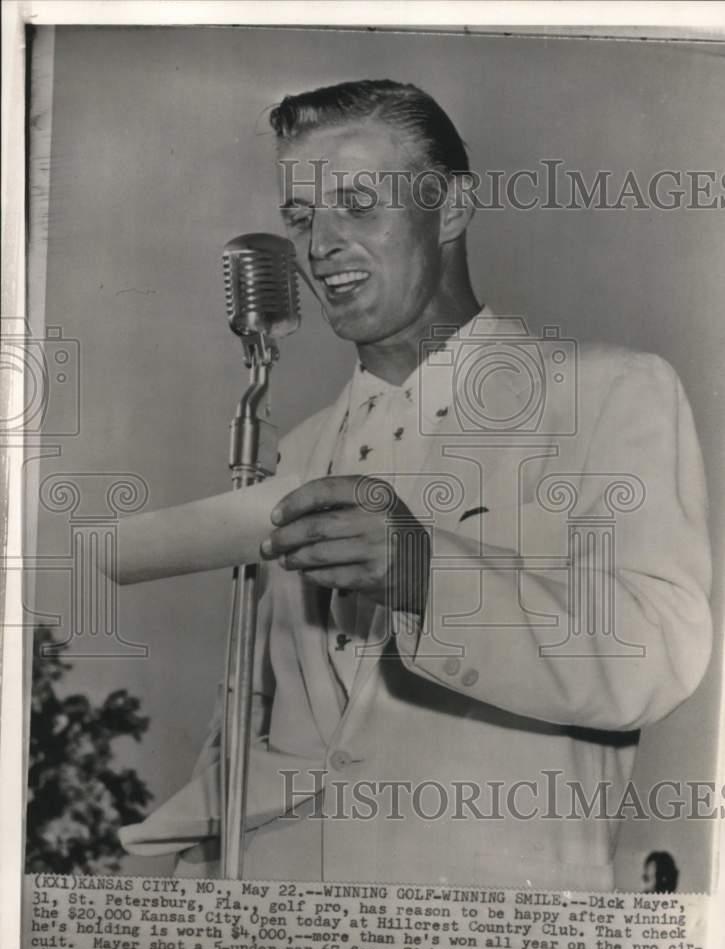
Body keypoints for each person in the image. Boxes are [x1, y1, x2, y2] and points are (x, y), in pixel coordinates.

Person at [120, 80, 712, 890]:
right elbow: (253, 722)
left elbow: (658, 656)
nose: (320, 244)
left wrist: (425, 572)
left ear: (453, 207)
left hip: (490, 944)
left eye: (357, 204)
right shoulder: (291, 452)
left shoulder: (608, 394)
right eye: (301, 218)